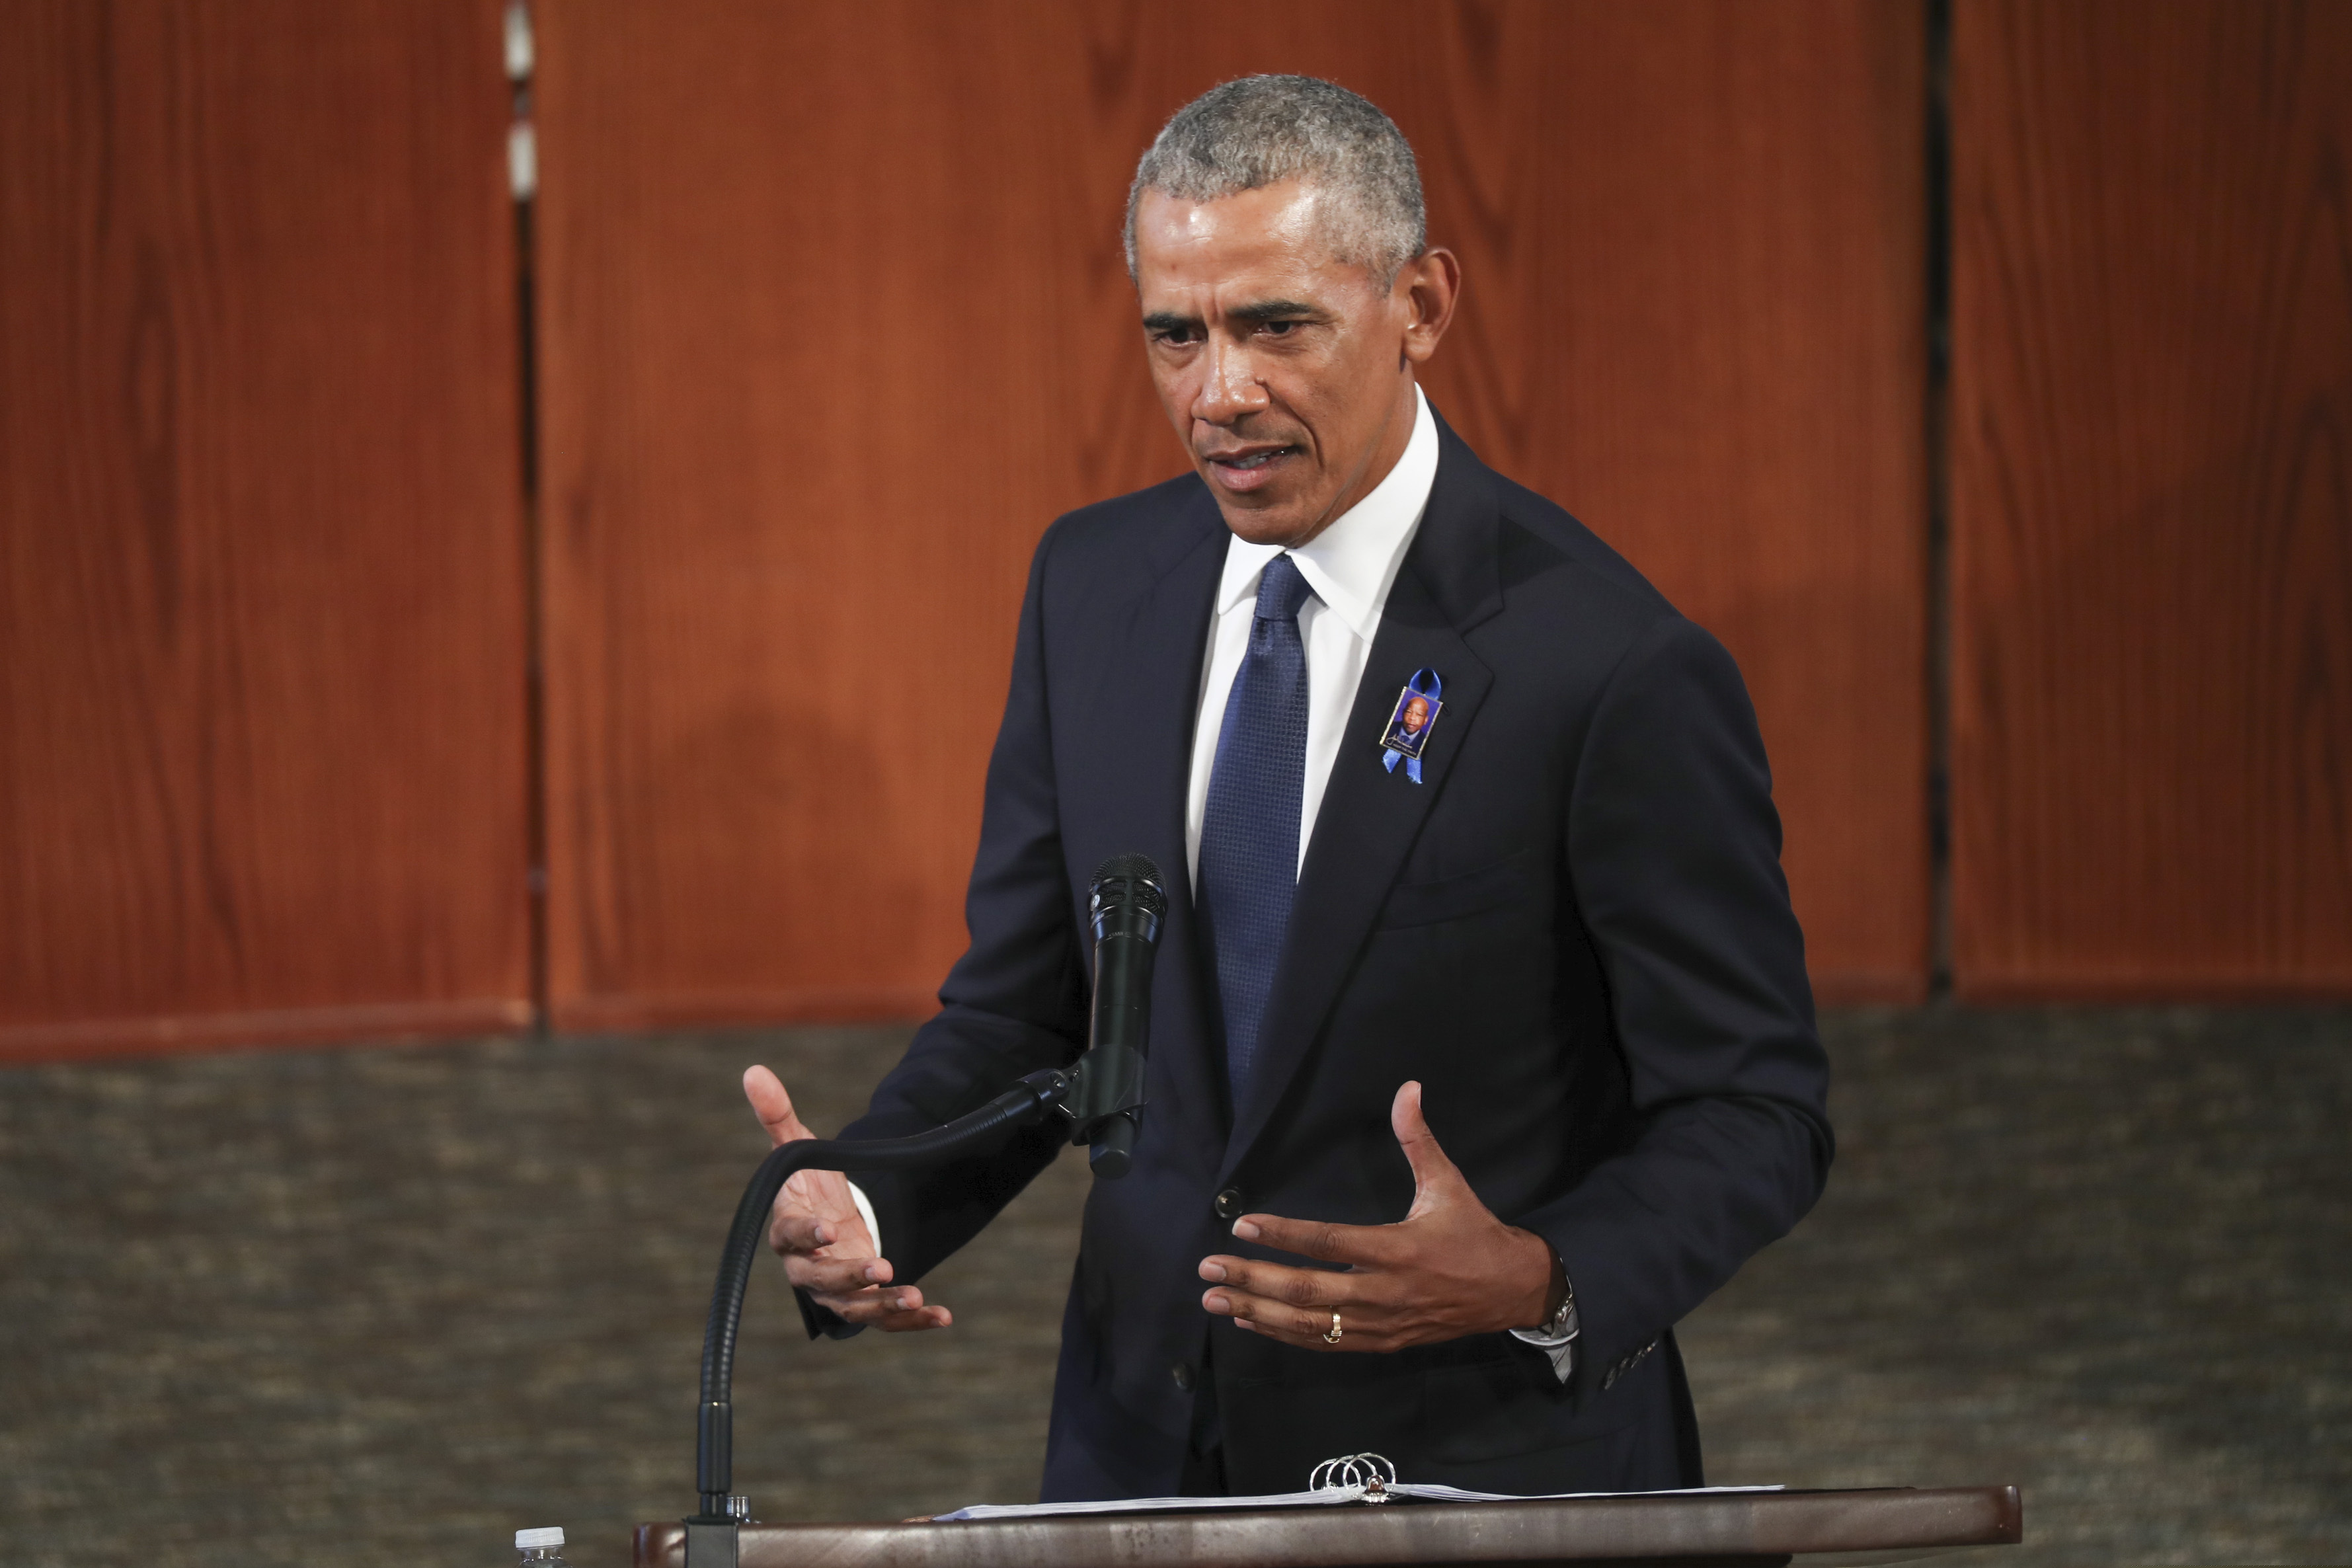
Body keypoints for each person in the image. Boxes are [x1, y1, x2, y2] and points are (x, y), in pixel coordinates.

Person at [742, 75, 1830, 1502]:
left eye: (1276, 327)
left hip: (1481, 1464)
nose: (1218, 394)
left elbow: (1757, 1108)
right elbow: (1038, 1010)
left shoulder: (1608, 665)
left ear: (1421, 305)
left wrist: (1540, 1275)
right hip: (1140, 1452)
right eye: (1176, 335)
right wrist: (875, 1191)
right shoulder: (1094, 588)